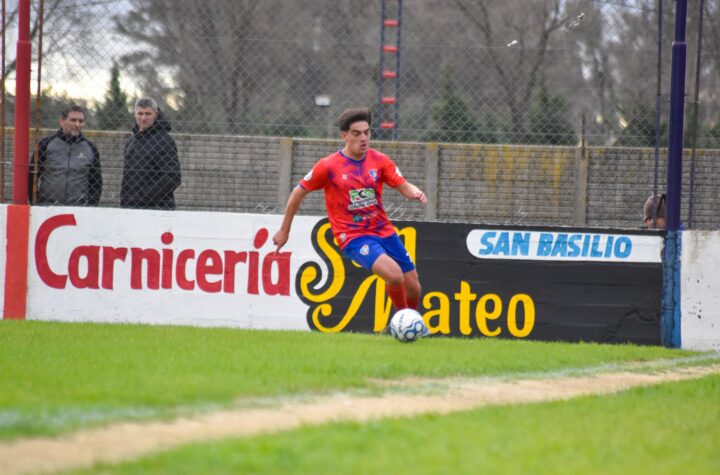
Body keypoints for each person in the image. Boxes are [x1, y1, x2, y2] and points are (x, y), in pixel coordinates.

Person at [273, 107, 427, 315]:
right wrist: (285, 230)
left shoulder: (380, 160)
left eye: (367, 132)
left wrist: (415, 192)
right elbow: (297, 193)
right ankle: (403, 322)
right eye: (356, 133)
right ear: (344, 136)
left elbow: (403, 185)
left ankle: (411, 323)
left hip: (383, 230)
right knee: (394, 275)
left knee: (413, 286)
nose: (363, 138)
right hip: (354, 236)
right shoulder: (328, 166)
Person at [29, 104, 102, 206]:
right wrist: (35, 202)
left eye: (81, 121)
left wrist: (91, 206)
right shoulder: (45, 144)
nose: (77, 124)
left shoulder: (91, 148)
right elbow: (32, 175)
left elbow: (96, 182)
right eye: (73, 120)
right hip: (47, 206)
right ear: (62, 121)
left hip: (79, 208)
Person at [121, 97, 181, 210]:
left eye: (148, 114)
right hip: (131, 207)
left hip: (158, 208)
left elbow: (173, 177)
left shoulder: (164, 141)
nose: (143, 118)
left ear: (156, 114)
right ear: (135, 114)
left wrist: (142, 198)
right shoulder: (131, 143)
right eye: (140, 113)